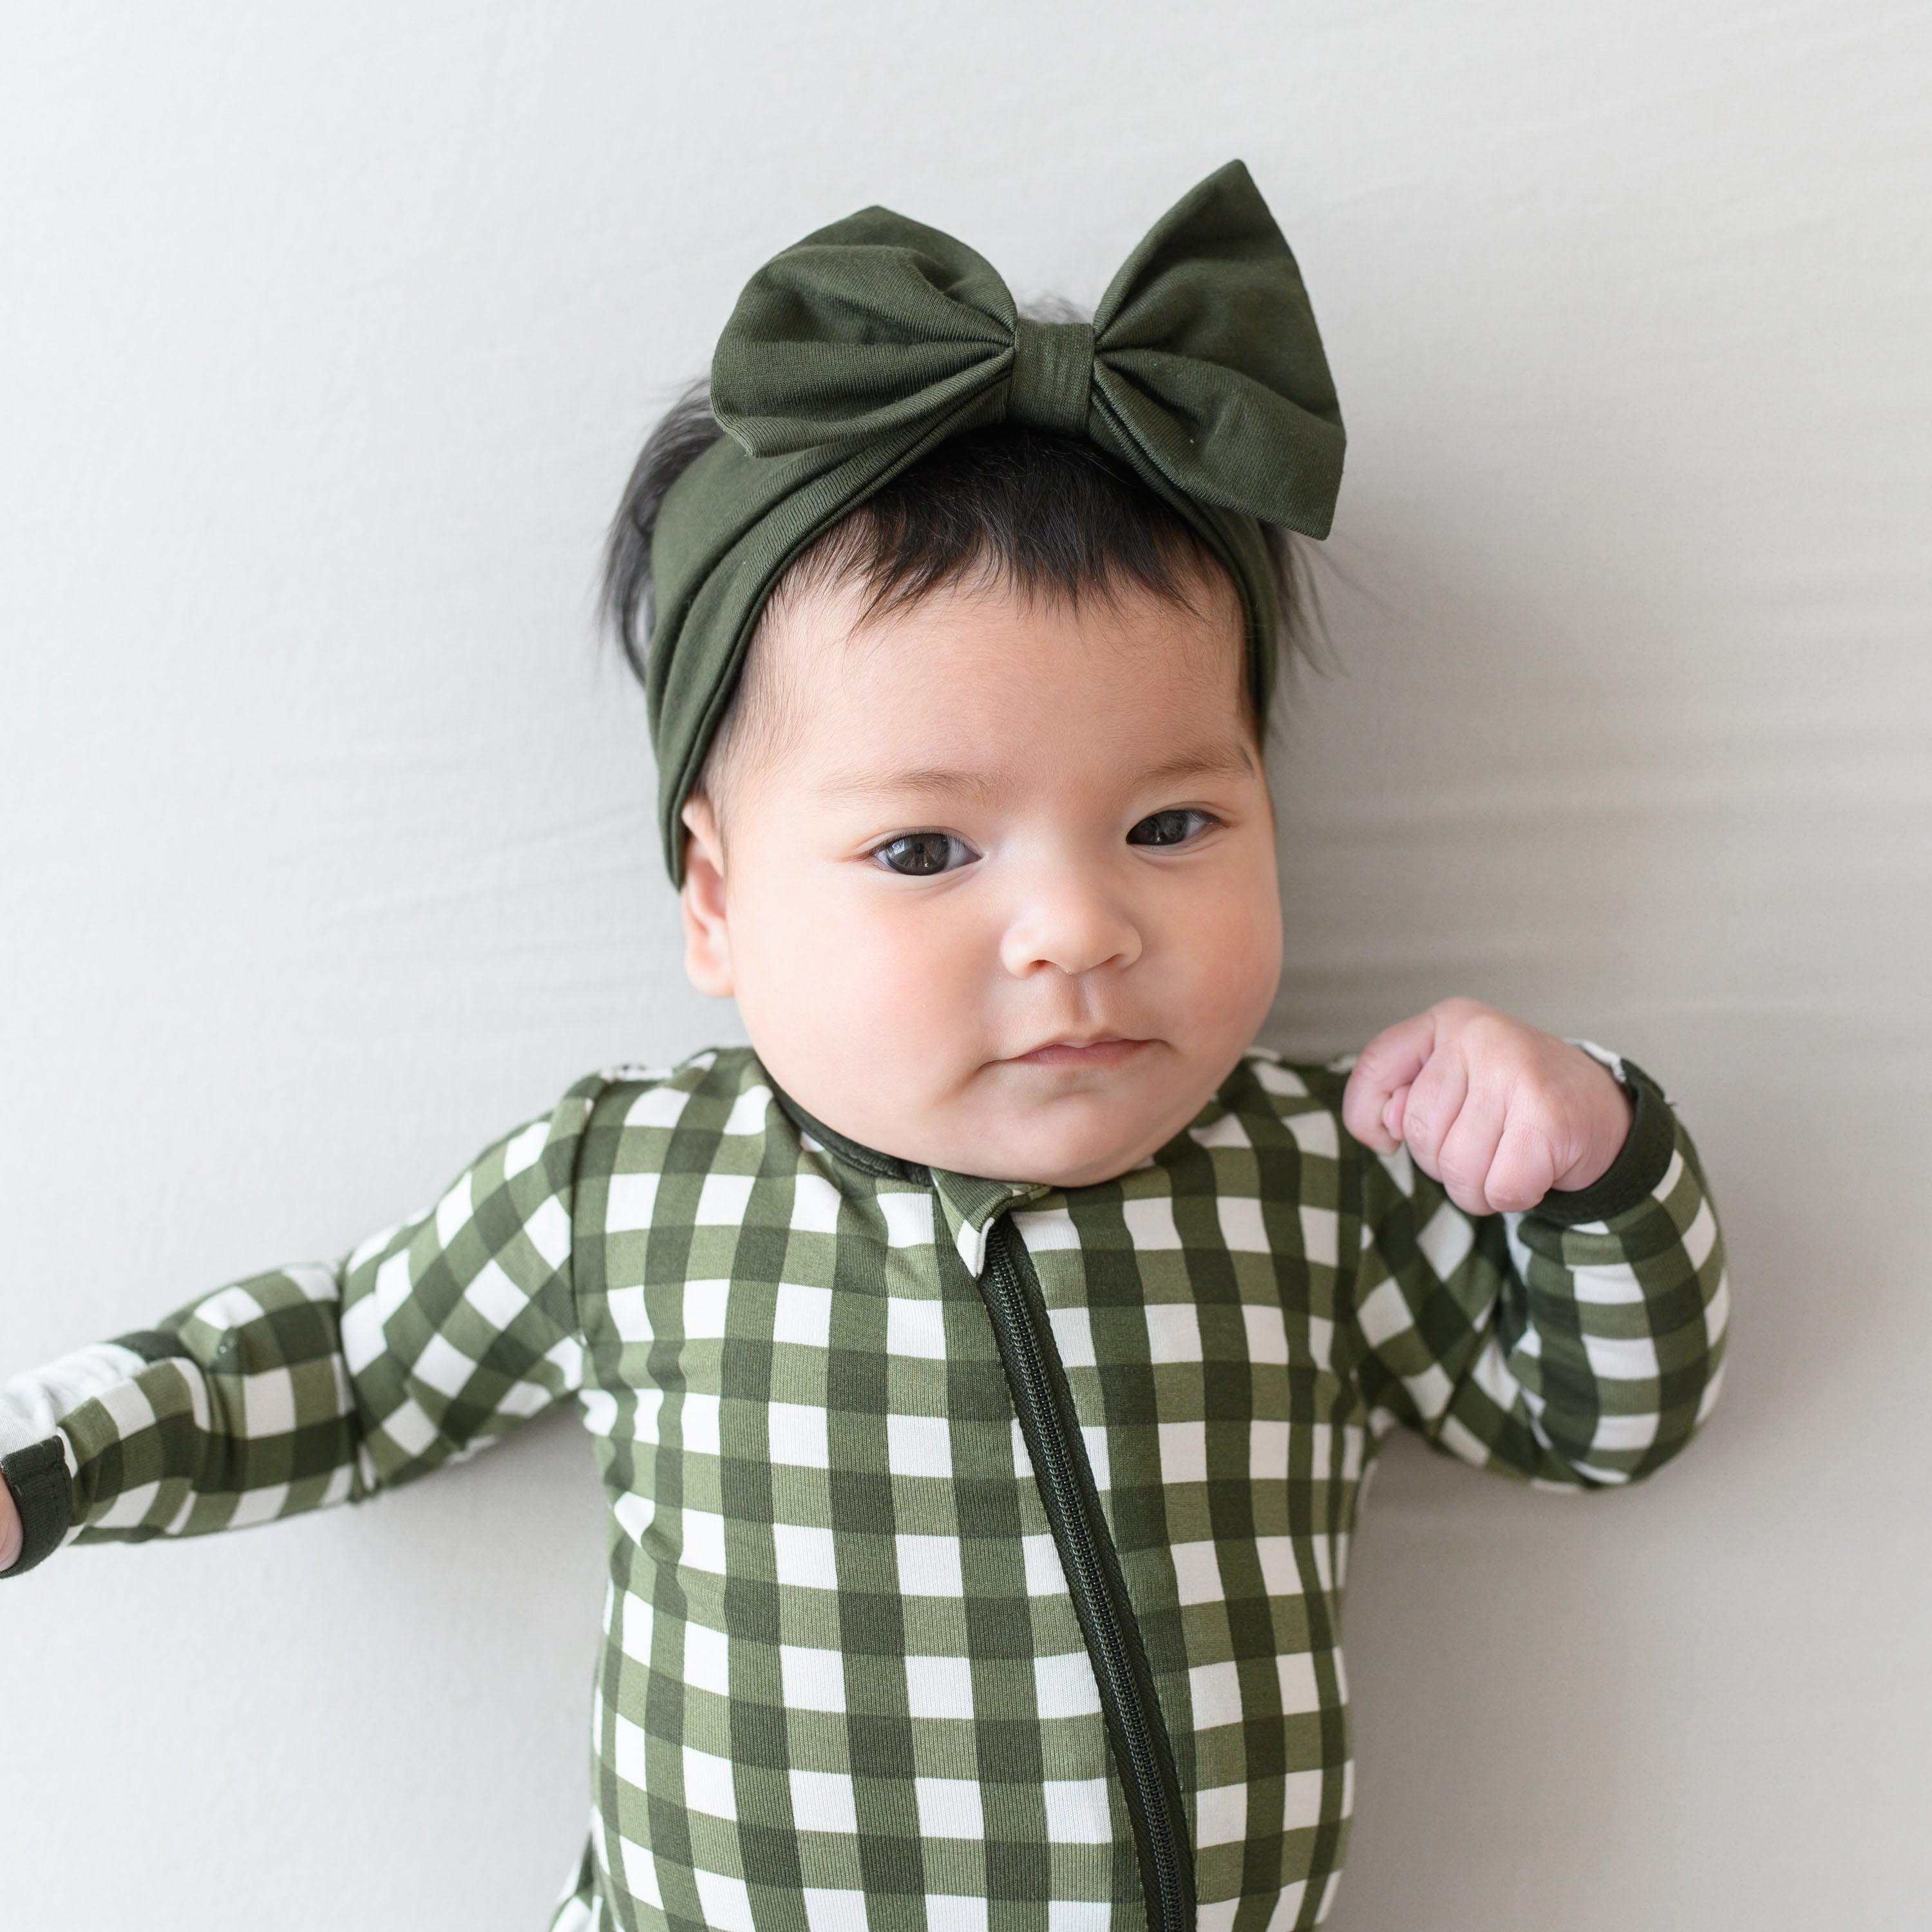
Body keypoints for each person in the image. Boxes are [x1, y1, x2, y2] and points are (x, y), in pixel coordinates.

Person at [0, 162, 1727, 1932]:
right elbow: (343, 1373)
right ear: (717, 903)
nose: (1076, 927)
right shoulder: (637, 1189)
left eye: (1172, 825)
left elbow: (1593, 1419)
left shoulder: (1308, 1183)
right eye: (923, 851)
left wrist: (1588, 1159)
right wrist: (39, 1462)